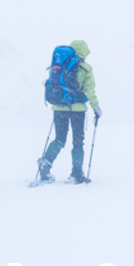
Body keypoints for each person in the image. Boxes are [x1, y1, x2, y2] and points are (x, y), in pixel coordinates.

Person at [35, 40, 101, 185]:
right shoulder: (85, 68)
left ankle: (46, 162)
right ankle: (76, 173)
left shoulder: (59, 66)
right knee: (78, 141)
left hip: (59, 107)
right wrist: (96, 108)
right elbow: (90, 90)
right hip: (77, 110)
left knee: (59, 139)